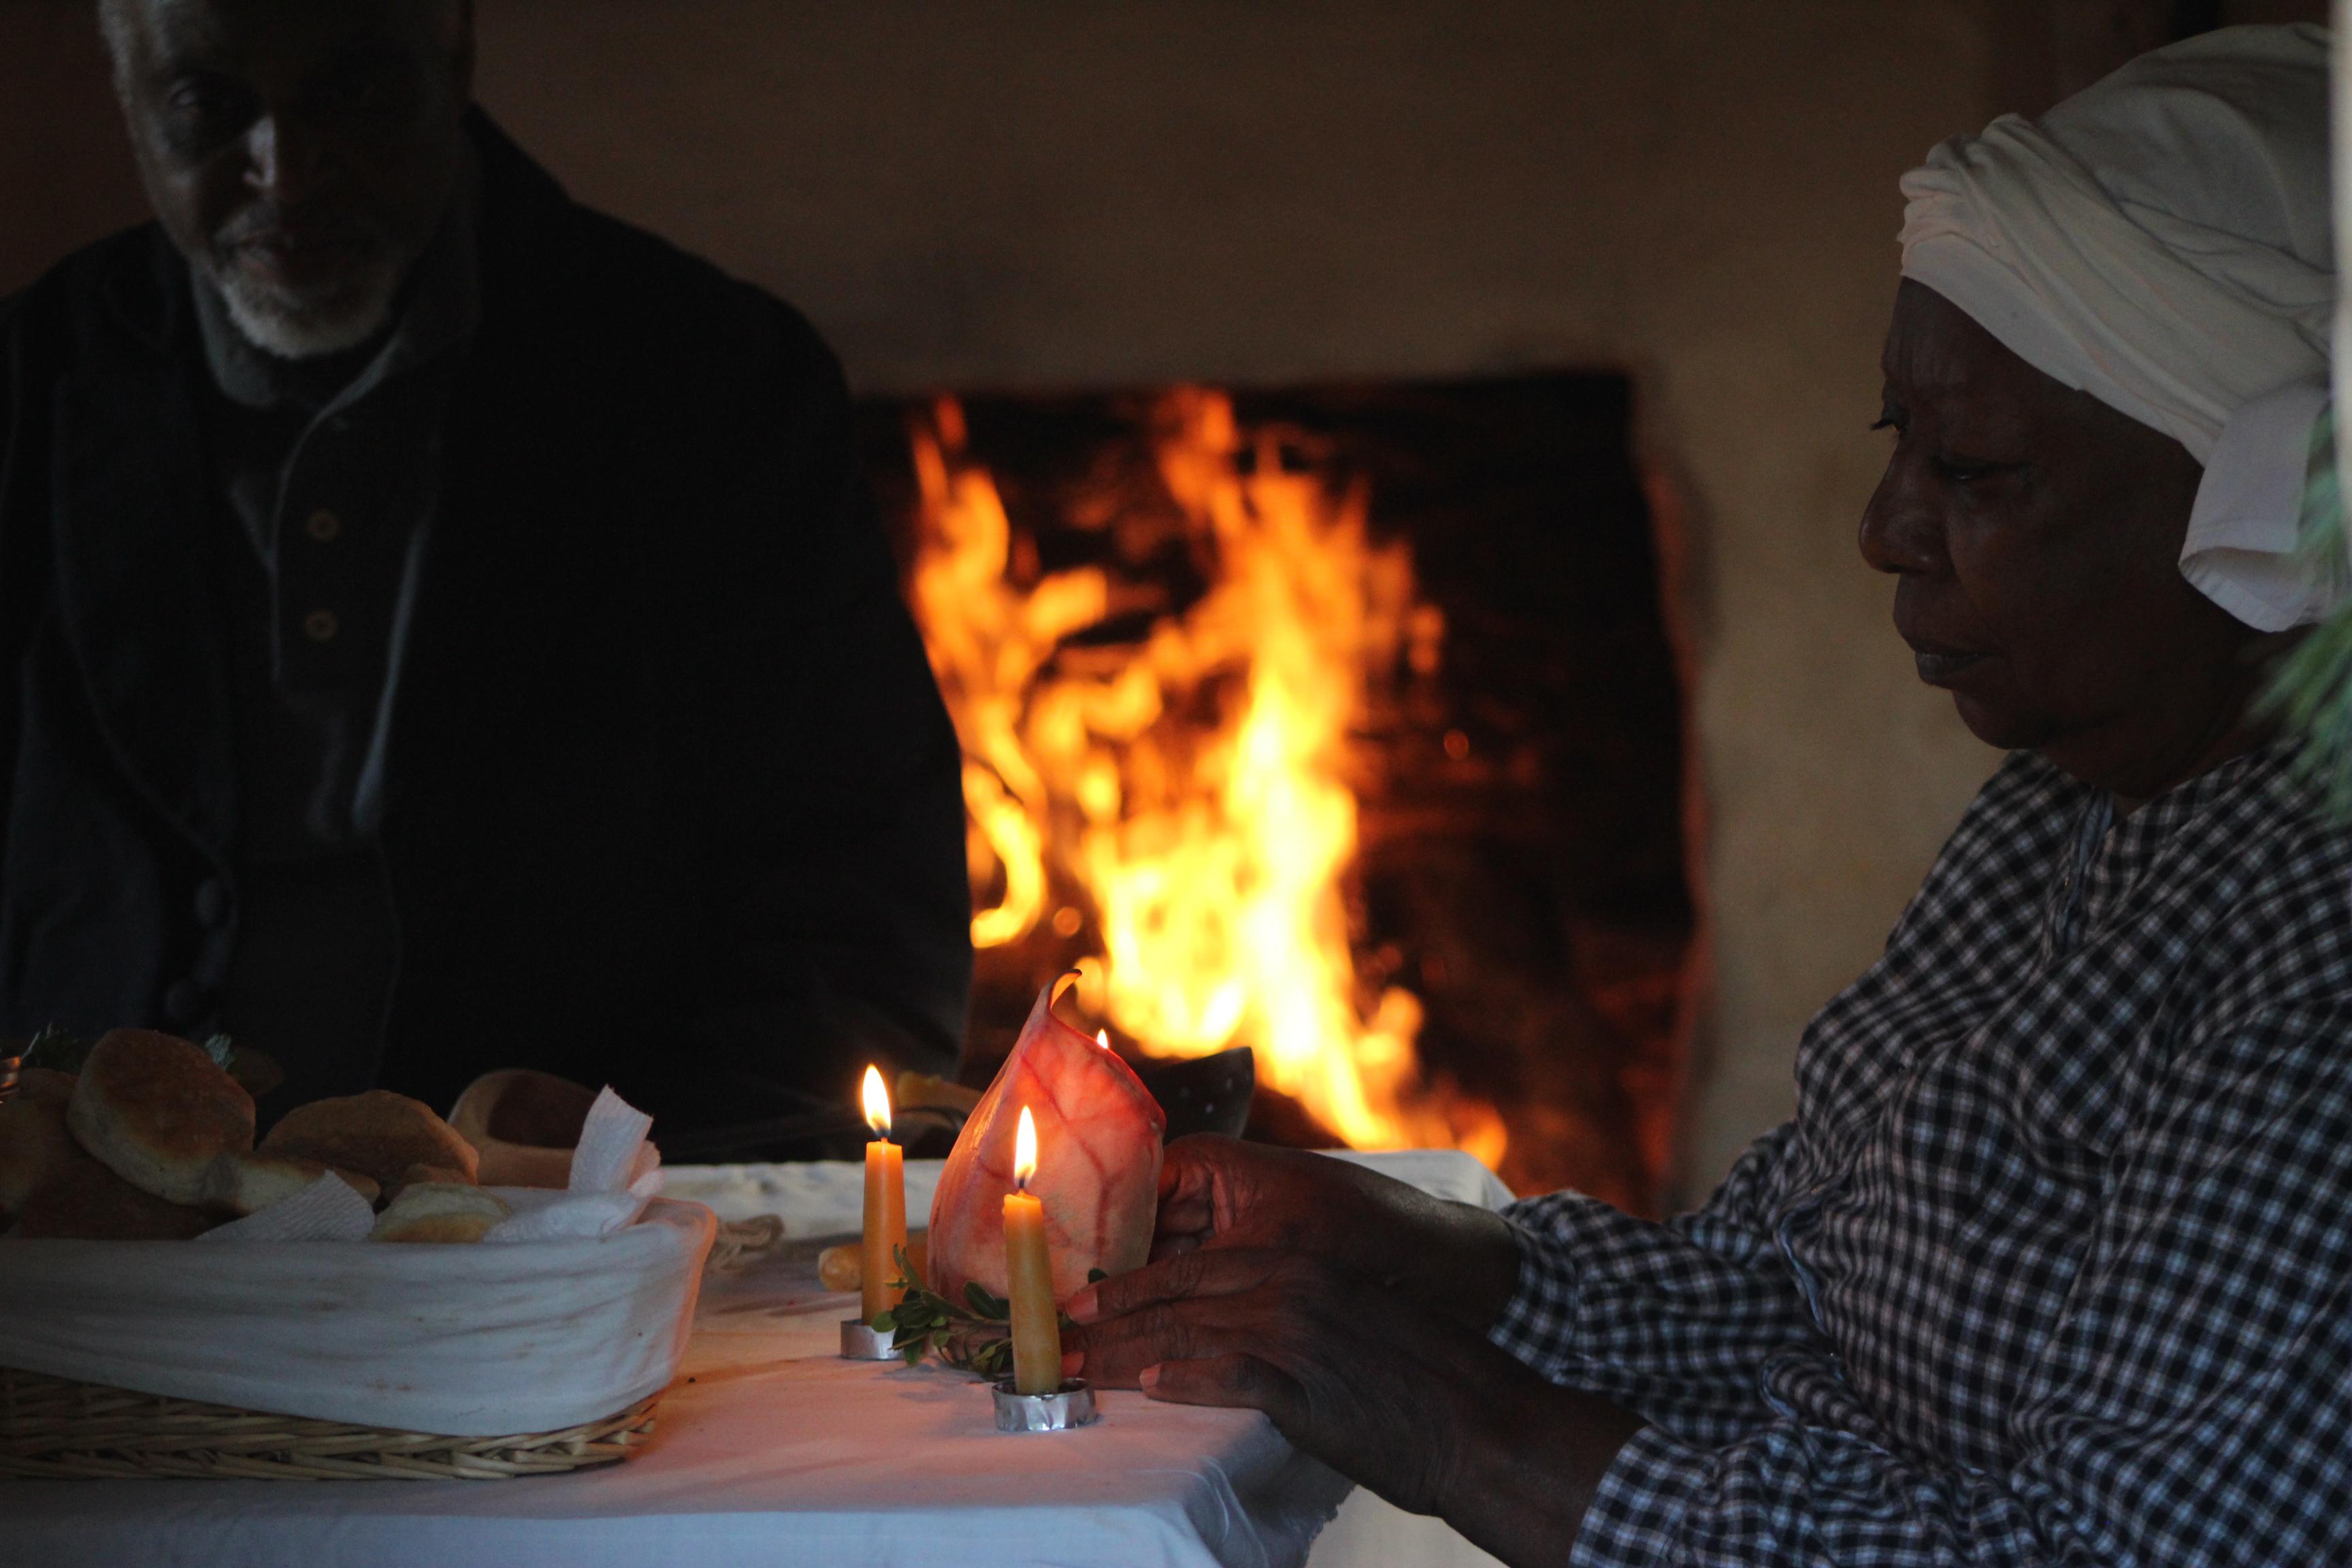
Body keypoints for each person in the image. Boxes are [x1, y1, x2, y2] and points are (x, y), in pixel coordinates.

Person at [1068, 25, 2352, 1566]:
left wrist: (1453, 1422)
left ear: (2258, 505)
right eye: (1901, 443)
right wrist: (1414, 1253)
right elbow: (1794, 1283)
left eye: (1979, 472)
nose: (1886, 527)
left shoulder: (2316, 959)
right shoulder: (2067, 811)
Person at [0, 0, 973, 1131]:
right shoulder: (22, 396)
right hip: (84, 1274)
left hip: (578, 1266)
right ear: (127, 101)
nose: (287, 171)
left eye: (351, 93)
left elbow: (863, 920)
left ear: (453, 55)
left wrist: (642, 1185)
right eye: (207, 109)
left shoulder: (711, 389)